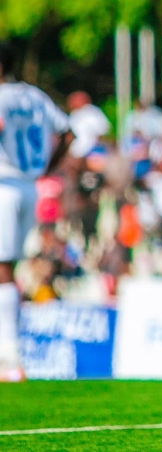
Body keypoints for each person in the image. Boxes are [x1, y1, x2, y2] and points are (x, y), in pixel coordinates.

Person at [0, 41, 74, 382]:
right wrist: (46, 167)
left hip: (5, 184)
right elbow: (69, 132)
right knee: (8, 271)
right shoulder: (35, 96)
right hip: (30, 184)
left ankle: (10, 360)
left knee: (3, 272)